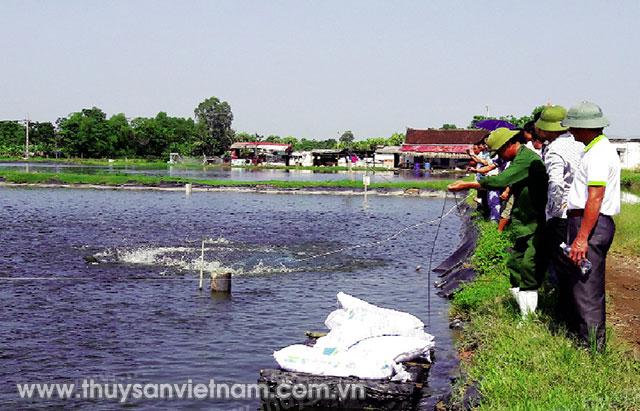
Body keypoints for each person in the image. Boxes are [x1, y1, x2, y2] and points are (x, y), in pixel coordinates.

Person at [449, 128, 548, 316]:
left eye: (501, 152)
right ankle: (524, 313)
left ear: (510, 144)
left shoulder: (526, 159)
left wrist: (468, 184)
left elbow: (502, 180)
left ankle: (529, 319)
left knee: (528, 267)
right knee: (515, 265)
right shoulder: (518, 159)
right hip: (523, 221)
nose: (500, 157)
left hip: (535, 222)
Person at [562, 101, 620, 351]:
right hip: (588, 223)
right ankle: (587, 340)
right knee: (583, 283)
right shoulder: (597, 150)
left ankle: (593, 348)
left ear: (586, 128)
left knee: (588, 287)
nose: (572, 132)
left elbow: (595, 198)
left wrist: (582, 237)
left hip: (591, 225)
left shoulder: (598, 155)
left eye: (574, 127)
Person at [534, 105, 584, 322]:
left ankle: (563, 314)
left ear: (548, 130)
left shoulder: (555, 149)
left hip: (562, 216)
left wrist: (555, 211)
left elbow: (555, 182)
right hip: (580, 212)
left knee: (561, 265)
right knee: (576, 265)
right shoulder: (580, 145)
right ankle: (575, 308)